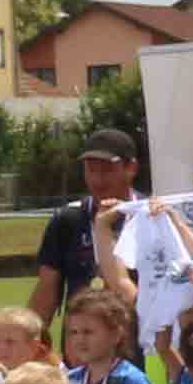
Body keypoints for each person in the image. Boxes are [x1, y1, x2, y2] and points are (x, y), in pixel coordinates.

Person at [30, 130, 144, 318]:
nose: (98, 180)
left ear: (131, 168)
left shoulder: (149, 217)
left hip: (135, 342)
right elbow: (46, 294)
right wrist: (29, 340)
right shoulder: (66, 220)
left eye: (107, 170)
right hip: (78, 343)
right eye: (91, 170)